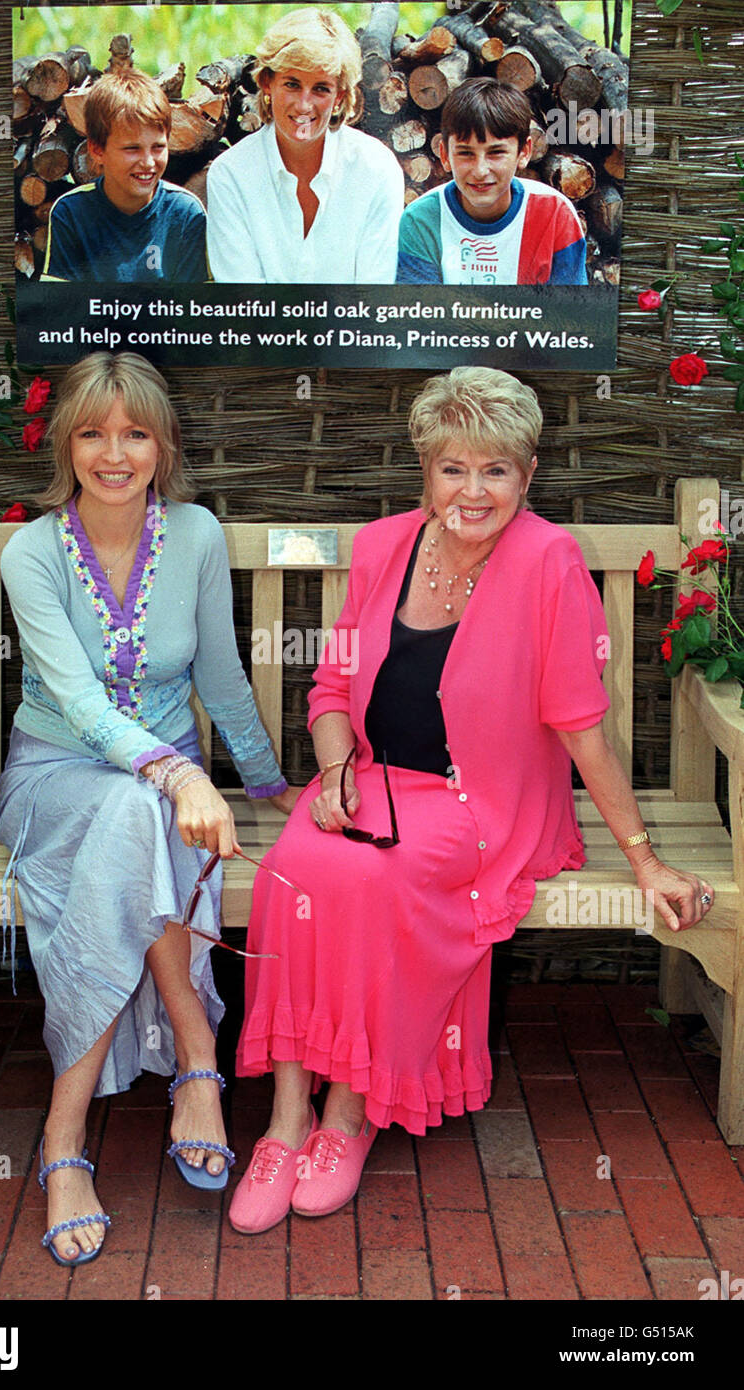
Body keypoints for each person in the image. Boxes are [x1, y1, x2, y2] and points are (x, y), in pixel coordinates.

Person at [228, 365, 713, 1234]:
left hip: (475, 805)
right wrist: (335, 770)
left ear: (526, 477)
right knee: (290, 873)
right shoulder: (382, 548)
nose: (472, 489)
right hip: (371, 784)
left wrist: (641, 857)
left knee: (379, 883)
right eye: (453, 467)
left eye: (495, 469)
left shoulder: (546, 562)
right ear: (425, 470)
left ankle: (348, 1116)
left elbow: (579, 725)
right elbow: (332, 687)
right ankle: (283, 1122)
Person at [0, 351, 296, 1264]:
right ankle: (191, 1056)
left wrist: (268, 782)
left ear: (163, 445)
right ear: (66, 444)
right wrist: (179, 777)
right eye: (92, 432)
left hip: (163, 797)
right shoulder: (30, 553)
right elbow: (80, 706)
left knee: (142, 820)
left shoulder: (197, 536)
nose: (114, 453)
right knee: (138, 813)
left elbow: (218, 673)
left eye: (134, 433)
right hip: (56, 777)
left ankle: (65, 1138)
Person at [206, 8, 404, 284]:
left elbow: (373, 299)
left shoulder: (377, 168)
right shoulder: (231, 174)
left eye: (321, 88)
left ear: (340, 96)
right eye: (292, 84)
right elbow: (243, 306)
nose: (303, 105)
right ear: (267, 82)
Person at [397, 78, 588, 286]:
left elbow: (570, 313)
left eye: (496, 153)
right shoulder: (420, 220)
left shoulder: (554, 213)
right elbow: (420, 313)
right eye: (465, 153)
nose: (480, 171)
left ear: (524, 152)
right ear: (444, 155)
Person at [41, 69, 207, 283]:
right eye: (132, 149)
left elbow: (194, 309)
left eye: (158, 147)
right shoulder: (71, 213)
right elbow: (60, 309)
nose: (148, 162)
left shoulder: (185, 213)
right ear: (97, 150)